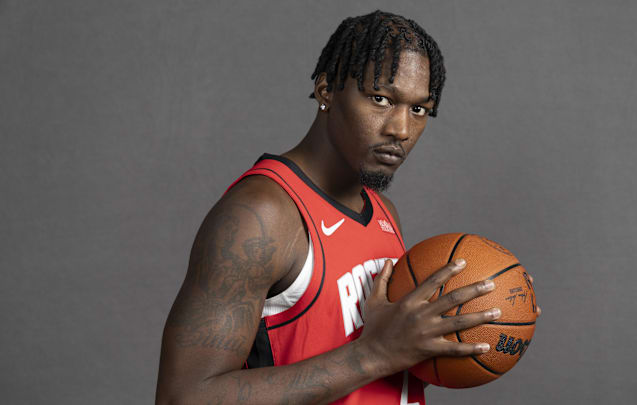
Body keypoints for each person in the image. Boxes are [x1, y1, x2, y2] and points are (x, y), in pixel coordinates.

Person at [156, 10, 537, 404]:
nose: (401, 130)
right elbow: (182, 397)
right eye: (381, 98)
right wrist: (373, 355)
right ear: (327, 91)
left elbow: (394, 363)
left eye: (419, 109)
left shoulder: (384, 214)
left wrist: (487, 315)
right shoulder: (263, 216)